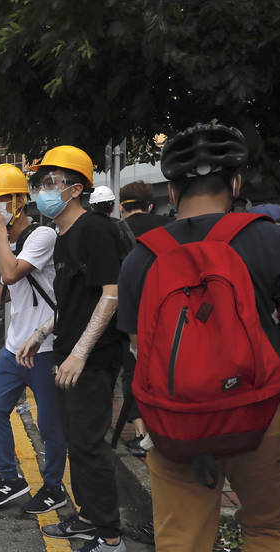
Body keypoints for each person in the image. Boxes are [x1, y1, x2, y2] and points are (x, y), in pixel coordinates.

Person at [118, 123, 280, 552]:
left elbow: (140, 353)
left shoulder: (142, 258)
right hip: (260, 420)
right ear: (237, 183)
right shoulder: (272, 240)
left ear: (170, 193)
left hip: (176, 430)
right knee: (272, 530)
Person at [17, 145, 126, 552]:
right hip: (66, 353)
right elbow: (69, 304)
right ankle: (87, 518)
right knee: (73, 441)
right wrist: (41, 333)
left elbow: (111, 294)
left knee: (87, 444)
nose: (41, 191)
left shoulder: (94, 229)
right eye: (39, 183)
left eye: (50, 183)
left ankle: (110, 535)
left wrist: (80, 353)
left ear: (76, 189)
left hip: (93, 359)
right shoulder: (63, 237)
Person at [0, 163, 68, 513]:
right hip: (15, 347)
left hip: (45, 349)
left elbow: (11, 274)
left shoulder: (43, 235)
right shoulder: (12, 241)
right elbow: (12, 291)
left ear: (16, 202)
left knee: (49, 425)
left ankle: (54, 486)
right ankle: (10, 478)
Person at [117, 180, 170, 456]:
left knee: (132, 371)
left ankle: (140, 432)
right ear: (150, 205)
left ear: (120, 206)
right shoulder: (168, 227)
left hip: (129, 313)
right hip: (166, 310)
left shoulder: (115, 231)